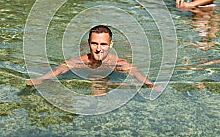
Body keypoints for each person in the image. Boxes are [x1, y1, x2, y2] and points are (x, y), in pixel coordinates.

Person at [26, 25, 155, 89]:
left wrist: (151, 85)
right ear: (89, 43)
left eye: (103, 44)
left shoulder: (118, 63)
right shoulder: (81, 61)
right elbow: (60, 69)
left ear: (111, 44)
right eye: (94, 44)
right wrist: (41, 79)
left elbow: (136, 72)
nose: (98, 49)